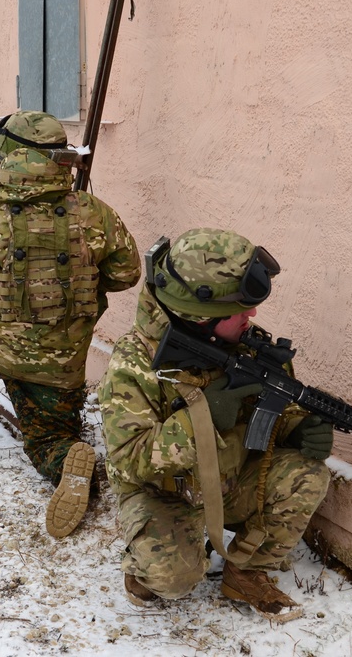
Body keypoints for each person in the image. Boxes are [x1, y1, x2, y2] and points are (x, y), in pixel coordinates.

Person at [0, 110, 141, 539]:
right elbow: (128, 273)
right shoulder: (95, 214)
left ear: (9, 156)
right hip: (62, 366)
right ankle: (67, 456)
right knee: (47, 436)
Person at [97, 228, 333, 618]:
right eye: (238, 310)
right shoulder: (134, 362)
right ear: (201, 317)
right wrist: (203, 417)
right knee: (172, 579)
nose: (251, 316)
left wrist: (296, 426)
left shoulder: (246, 345)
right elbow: (128, 459)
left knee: (308, 475)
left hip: (229, 479)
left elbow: (274, 406)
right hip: (163, 492)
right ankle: (143, 567)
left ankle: (246, 571)